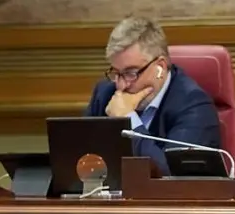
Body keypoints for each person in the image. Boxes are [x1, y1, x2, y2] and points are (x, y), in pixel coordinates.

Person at [84, 17, 221, 175]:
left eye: (131, 73)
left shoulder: (195, 107)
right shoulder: (105, 94)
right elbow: (79, 159)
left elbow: (171, 176)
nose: (121, 86)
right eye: (116, 73)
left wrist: (128, 121)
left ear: (160, 68)